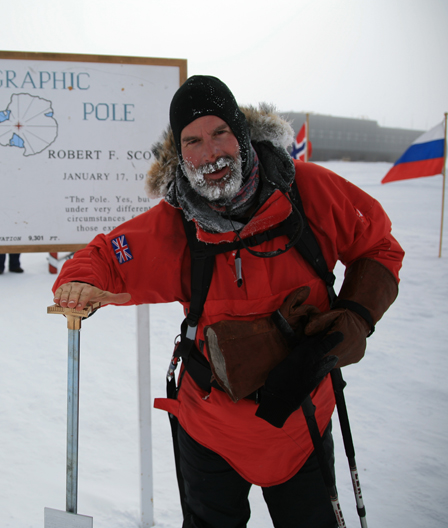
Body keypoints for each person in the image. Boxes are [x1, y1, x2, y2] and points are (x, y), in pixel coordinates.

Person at [52, 76, 403, 527]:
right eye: (192, 141)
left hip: (303, 423)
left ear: (241, 134)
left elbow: (379, 247)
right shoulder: (175, 226)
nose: (210, 153)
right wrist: (80, 282)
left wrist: (356, 314)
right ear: (180, 154)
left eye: (220, 132)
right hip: (210, 430)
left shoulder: (310, 193)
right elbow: (104, 257)